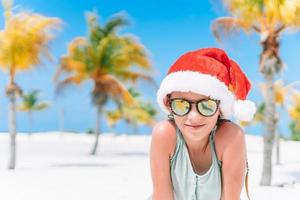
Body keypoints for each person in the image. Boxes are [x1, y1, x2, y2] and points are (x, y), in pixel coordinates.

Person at [148, 48, 256, 200]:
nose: (193, 116)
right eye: (181, 104)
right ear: (168, 104)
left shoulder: (231, 137)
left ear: (220, 108)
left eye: (206, 105)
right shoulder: (164, 134)